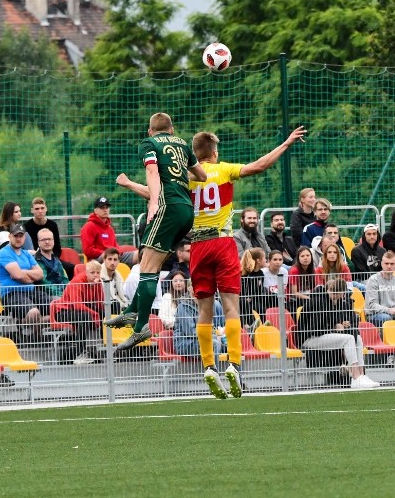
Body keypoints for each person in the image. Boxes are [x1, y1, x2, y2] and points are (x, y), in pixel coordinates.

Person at [116, 122, 305, 398]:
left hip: (198, 246)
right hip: (224, 241)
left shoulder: (185, 177)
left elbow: (155, 193)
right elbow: (259, 166)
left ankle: (208, 366)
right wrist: (286, 143)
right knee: (230, 307)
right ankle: (235, 366)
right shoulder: (224, 170)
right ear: (214, 152)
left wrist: (129, 183)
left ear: (193, 153)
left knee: (204, 309)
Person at [105, 112, 206, 353]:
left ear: (150, 131)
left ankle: (140, 327)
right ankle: (130, 314)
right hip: (185, 212)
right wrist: (181, 172)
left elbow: (151, 173)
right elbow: (201, 175)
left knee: (146, 268)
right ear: (172, 130)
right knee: (152, 265)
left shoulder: (148, 144)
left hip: (167, 209)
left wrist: (154, 203)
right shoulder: (182, 144)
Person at [294, 278, 379, 389]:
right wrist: (334, 327)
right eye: (334, 293)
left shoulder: (336, 302)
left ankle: (361, 374)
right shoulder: (319, 301)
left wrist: (339, 326)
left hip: (322, 335)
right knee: (348, 338)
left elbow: (344, 321)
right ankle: (355, 376)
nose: (336, 296)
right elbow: (315, 329)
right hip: (309, 339)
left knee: (357, 337)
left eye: (338, 294)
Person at [0, 223, 54, 331]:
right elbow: (18, 275)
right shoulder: (4, 253)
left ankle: (32, 332)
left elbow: (40, 274)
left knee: (57, 306)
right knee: (33, 313)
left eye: (21, 236)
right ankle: (22, 326)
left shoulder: (26, 254)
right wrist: (30, 276)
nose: (18, 239)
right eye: (15, 236)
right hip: (12, 293)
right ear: (10, 236)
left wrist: (23, 272)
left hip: (31, 291)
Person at [56, 260, 104, 365]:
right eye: (92, 272)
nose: (95, 275)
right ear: (86, 273)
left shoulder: (98, 282)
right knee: (85, 316)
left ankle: (106, 348)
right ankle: (79, 352)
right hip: (65, 311)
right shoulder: (77, 281)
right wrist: (95, 314)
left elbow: (100, 302)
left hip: (82, 310)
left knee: (105, 313)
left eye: (98, 272)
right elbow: (77, 304)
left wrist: (98, 287)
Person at [364, 251, 395, 329]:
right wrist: (388, 310)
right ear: (381, 264)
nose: (389, 266)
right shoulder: (373, 280)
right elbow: (372, 305)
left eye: (392, 264)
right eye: (386, 263)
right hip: (374, 314)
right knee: (387, 318)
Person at [79, 197, 137, 265]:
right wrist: (106, 253)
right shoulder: (89, 226)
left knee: (140, 255)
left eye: (107, 207)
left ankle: (142, 275)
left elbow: (116, 246)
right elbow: (87, 250)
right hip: (96, 260)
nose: (105, 210)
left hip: (113, 256)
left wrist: (116, 252)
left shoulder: (110, 229)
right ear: (95, 210)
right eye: (102, 208)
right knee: (110, 257)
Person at [33, 228, 69, 298]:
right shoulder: (36, 260)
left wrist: (69, 291)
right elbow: (44, 283)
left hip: (62, 294)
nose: (47, 242)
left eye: (49, 239)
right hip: (47, 296)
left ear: (53, 241)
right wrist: (62, 294)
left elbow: (65, 278)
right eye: (43, 240)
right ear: (38, 243)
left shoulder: (56, 259)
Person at [239, 248, 269, 327]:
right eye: (264, 258)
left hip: (254, 299)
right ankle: (248, 326)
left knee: (261, 307)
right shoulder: (245, 273)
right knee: (245, 304)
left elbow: (259, 291)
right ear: (258, 260)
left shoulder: (261, 273)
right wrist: (248, 298)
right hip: (242, 300)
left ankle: (263, 326)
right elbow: (243, 291)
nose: (266, 260)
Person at [101, 247, 130, 312]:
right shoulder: (99, 276)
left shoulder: (118, 276)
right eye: (109, 259)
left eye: (115, 260)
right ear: (104, 260)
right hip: (104, 306)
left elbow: (123, 295)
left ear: (118, 261)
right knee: (115, 304)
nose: (112, 262)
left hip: (118, 305)